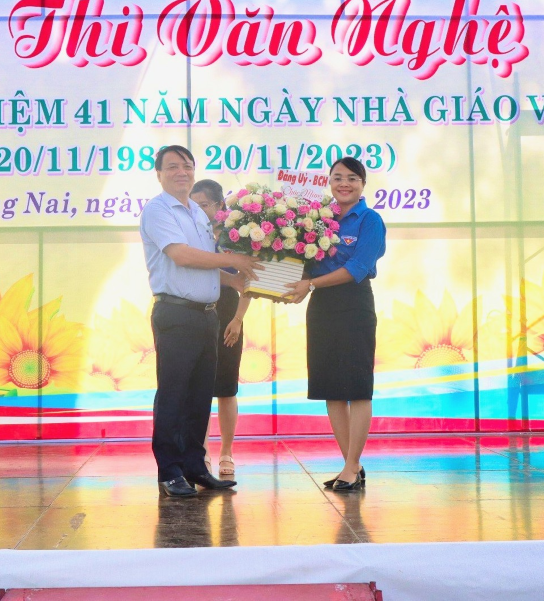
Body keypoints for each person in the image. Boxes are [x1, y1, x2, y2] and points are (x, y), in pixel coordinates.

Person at [140, 145, 262, 497]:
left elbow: (205, 263)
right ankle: (170, 471)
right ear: (159, 174)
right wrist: (232, 261)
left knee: (199, 397)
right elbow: (181, 256)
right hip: (176, 314)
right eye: (172, 166)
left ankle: (195, 466)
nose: (182, 172)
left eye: (187, 165)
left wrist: (234, 281)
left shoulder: (197, 212)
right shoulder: (158, 210)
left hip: (208, 315)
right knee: (174, 395)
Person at [286, 157, 386, 493]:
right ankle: (351, 466)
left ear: (362, 184)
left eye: (352, 178)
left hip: (354, 304)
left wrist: (311, 284)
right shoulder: (317, 218)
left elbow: (359, 267)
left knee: (356, 388)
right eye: (338, 177)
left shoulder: (370, 220)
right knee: (331, 388)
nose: (344, 183)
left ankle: (351, 466)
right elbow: (303, 260)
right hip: (322, 308)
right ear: (329, 182)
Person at [190, 179, 252, 477]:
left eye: (204, 205)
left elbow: (249, 281)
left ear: (220, 205)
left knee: (226, 388)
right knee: (198, 387)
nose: (199, 211)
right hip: (197, 310)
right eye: (194, 206)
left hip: (228, 310)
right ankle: (200, 452)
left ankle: (227, 451)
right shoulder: (191, 236)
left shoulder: (236, 236)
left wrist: (238, 319)